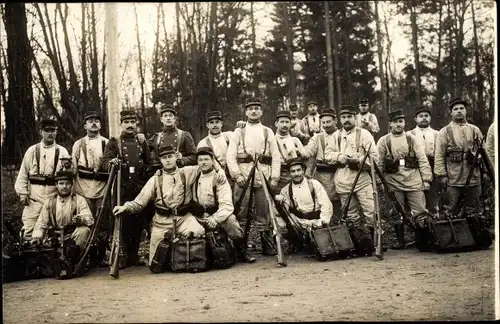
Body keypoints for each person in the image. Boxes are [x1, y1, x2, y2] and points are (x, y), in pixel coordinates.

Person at [112, 145, 205, 267]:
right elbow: (140, 201)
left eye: (170, 156)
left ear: (176, 157)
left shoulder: (187, 172)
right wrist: (125, 207)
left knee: (198, 231)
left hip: (184, 219)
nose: (168, 160)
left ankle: (183, 256)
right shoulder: (155, 179)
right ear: (160, 160)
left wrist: (217, 171)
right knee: (155, 264)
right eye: (164, 157)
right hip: (162, 223)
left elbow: (207, 164)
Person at [226, 97, 281, 256]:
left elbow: (276, 155)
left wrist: (275, 177)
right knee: (241, 212)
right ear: (246, 112)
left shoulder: (267, 131)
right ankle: (241, 246)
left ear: (261, 112)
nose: (254, 111)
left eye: (257, 108)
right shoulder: (239, 131)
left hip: (263, 175)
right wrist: (237, 175)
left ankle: (267, 245)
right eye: (250, 109)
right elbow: (230, 156)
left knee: (264, 212)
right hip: (243, 176)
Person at [183, 146, 256, 263]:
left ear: (213, 161)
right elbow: (174, 171)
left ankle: (241, 251)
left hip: (217, 215)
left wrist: (215, 219)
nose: (203, 163)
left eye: (206, 159)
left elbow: (227, 206)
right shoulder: (194, 174)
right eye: (200, 160)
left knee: (231, 222)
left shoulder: (220, 178)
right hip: (199, 215)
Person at [324, 105, 378, 254]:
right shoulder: (336, 136)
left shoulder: (365, 134)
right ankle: (358, 244)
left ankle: (376, 243)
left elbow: (375, 157)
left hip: (362, 179)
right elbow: (327, 155)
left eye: (349, 117)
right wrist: (338, 157)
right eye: (343, 117)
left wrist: (358, 160)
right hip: (343, 180)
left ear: (355, 118)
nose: (346, 120)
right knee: (351, 215)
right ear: (340, 119)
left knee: (371, 212)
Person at [101, 110, 152, 268]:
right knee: (122, 223)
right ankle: (121, 256)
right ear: (121, 124)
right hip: (121, 189)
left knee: (137, 223)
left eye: (132, 122)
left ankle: (133, 256)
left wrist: (144, 171)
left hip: (138, 188)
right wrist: (113, 163)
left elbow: (149, 162)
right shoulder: (114, 142)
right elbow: (104, 162)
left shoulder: (141, 141)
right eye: (126, 122)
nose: (130, 125)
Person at [377, 109, 432, 249]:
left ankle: (423, 241)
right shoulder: (384, 141)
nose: (398, 125)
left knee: (420, 211)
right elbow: (379, 164)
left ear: (405, 123)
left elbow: (422, 160)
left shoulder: (412, 139)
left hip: (414, 180)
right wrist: (380, 182)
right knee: (395, 212)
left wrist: (426, 179)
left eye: (401, 121)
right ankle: (400, 242)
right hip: (393, 182)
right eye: (395, 122)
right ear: (390, 124)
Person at [14, 116, 70, 241]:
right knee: (29, 229)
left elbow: (68, 177)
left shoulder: (62, 151)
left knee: (51, 230)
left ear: (56, 132)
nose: (50, 134)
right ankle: (27, 255)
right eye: (47, 130)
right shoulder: (32, 151)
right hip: (34, 196)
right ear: (41, 132)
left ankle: (49, 258)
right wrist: (23, 193)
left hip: (53, 196)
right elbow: (23, 173)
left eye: (53, 130)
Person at [71, 111, 110, 266]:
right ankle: (86, 255)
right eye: (90, 121)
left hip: (102, 189)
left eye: (96, 121)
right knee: (86, 222)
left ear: (100, 124)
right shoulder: (78, 144)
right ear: (85, 125)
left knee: (103, 223)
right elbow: (73, 169)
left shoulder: (107, 143)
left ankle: (102, 255)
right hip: (83, 188)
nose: (94, 123)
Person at [434, 97, 484, 216]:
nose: (459, 111)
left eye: (462, 108)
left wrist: (485, 172)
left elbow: (483, 154)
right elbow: (439, 156)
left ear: (466, 111)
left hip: (473, 178)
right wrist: (442, 176)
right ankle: (451, 234)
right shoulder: (444, 132)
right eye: (455, 109)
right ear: (451, 112)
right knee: (449, 211)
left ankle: (472, 234)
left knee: (473, 210)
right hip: (453, 179)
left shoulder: (475, 130)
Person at [30, 170, 93, 252]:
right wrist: (37, 237)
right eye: (61, 183)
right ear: (56, 185)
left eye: (67, 183)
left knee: (84, 231)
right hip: (55, 238)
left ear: (71, 184)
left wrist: (81, 219)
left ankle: (76, 258)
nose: (64, 186)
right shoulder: (50, 202)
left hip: (73, 237)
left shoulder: (79, 200)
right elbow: (41, 223)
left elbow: (90, 219)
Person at [275, 158, 333, 235]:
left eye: (298, 170)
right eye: (293, 171)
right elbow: (283, 212)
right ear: (289, 173)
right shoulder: (285, 190)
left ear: (303, 170)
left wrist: (322, 222)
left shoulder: (314, 184)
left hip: (316, 222)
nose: (296, 174)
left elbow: (326, 205)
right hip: (298, 224)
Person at [303, 108, 341, 219]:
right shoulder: (317, 138)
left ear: (335, 121)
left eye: (328, 122)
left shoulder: (342, 135)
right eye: (323, 122)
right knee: (322, 200)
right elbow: (308, 152)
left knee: (338, 202)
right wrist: (299, 151)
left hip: (339, 173)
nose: (326, 125)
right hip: (321, 175)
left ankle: (337, 224)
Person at [139, 103, 197, 170]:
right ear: (161, 119)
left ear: (174, 118)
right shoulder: (156, 137)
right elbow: (143, 150)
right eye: (165, 116)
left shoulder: (184, 135)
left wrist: (182, 159)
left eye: (170, 115)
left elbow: (195, 157)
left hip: (180, 173)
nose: (168, 118)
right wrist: (140, 139)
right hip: (161, 174)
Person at [408, 105, 440, 218]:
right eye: (420, 116)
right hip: (415, 169)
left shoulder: (437, 134)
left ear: (430, 118)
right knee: (417, 197)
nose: (424, 118)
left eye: (426, 115)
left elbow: (439, 153)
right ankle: (419, 222)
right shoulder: (409, 134)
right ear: (415, 119)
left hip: (432, 167)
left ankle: (434, 221)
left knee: (432, 197)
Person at [274, 110, 308, 189]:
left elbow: (305, 156)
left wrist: (298, 152)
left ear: (290, 124)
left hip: (295, 176)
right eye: (282, 122)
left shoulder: (295, 140)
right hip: (278, 177)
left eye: (287, 122)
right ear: (276, 124)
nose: (284, 125)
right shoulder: (271, 139)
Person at [197, 111, 234, 182]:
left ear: (221, 124)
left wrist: (242, 125)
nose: (215, 125)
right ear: (207, 125)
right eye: (211, 122)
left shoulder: (229, 136)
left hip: (232, 176)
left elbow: (244, 137)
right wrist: (219, 170)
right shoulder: (203, 143)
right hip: (214, 177)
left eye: (217, 122)